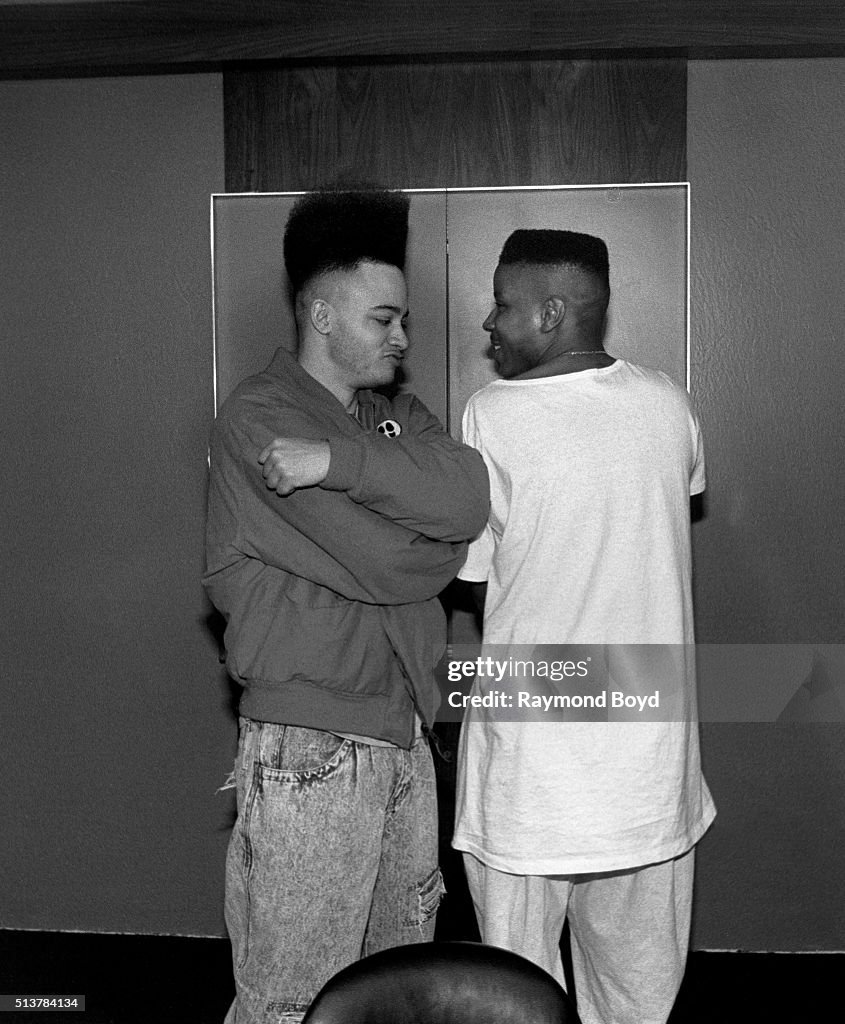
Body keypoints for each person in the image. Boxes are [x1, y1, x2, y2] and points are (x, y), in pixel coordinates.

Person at [203, 187, 490, 1024]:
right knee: (290, 1002)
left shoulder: (394, 415)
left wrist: (339, 461)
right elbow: (396, 561)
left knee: (392, 998)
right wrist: (424, 542)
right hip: (311, 745)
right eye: (383, 319)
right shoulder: (256, 417)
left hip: (402, 736)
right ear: (321, 315)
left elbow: (466, 502)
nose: (402, 339)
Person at [452, 229, 716, 1024]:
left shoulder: (491, 415)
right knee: (637, 998)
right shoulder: (670, 403)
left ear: (553, 310)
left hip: (531, 764)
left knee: (514, 995)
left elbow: (473, 576)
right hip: (649, 759)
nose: (490, 323)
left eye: (503, 304)